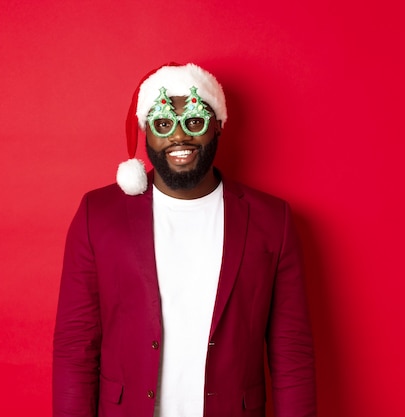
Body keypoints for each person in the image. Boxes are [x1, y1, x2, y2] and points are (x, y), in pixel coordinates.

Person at [53, 63, 316, 417]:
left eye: (194, 121)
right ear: (147, 132)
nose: (179, 136)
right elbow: (76, 346)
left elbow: (291, 352)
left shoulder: (273, 221)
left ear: (218, 125)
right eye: (163, 124)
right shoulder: (97, 215)